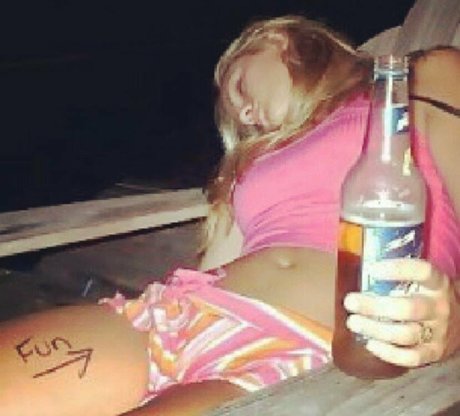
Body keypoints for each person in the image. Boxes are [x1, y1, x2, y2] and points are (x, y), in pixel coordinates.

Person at [1, 15, 459, 416]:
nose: (244, 111)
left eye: (239, 86)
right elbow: (217, 262)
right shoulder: (257, 159)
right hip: (178, 315)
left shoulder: (421, 76)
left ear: (277, 40)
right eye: (235, 112)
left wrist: (453, 321)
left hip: (304, 348)